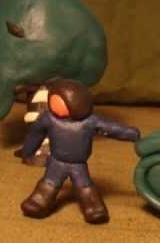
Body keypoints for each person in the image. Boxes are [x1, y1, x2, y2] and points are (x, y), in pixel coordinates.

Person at [19, 79, 140, 224]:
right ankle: (38, 202)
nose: (55, 105)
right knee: (48, 183)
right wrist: (28, 152)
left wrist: (131, 133)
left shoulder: (89, 122)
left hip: (78, 164)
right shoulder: (49, 119)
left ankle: (94, 208)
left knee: (85, 187)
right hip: (56, 161)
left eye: (59, 102)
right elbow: (35, 135)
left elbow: (112, 128)